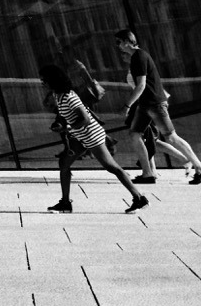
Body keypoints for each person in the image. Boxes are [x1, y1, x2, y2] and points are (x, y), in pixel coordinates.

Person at [40, 63, 147, 215]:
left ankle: (139, 198)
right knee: (64, 163)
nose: (42, 83)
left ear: (53, 80)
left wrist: (67, 128)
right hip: (80, 136)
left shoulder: (69, 96)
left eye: (44, 80)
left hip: (91, 135)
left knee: (112, 167)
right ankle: (65, 202)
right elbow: (66, 116)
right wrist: (60, 124)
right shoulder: (58, 95)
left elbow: (86, 119)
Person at [116, 30, 201, 185]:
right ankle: (148, 174)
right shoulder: (136, 58)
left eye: (118, 42)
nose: (117, 46)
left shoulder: (139, 57)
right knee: (135, 135)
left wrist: (127, 105)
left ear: (127, 41)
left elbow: (141, 85)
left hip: (154, 103)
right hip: (146, 104)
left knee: (171, 137)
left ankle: (200, 167)